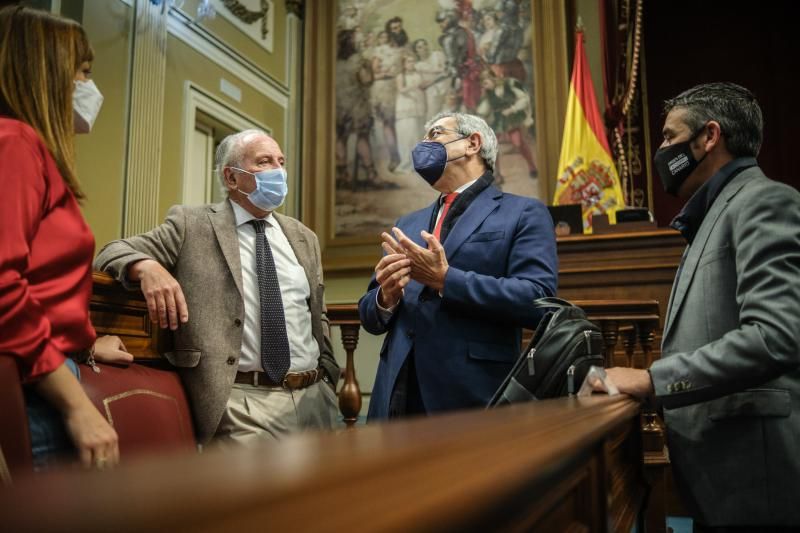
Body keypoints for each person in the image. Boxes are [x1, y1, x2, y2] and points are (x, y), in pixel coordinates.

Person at [596, 83, 800, 529]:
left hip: (756, 478)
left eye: (670, 137)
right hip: (721, 476)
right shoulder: (711, 213)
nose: (663, 150)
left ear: (709, 137)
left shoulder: (763, 201)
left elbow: (776, 337)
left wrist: (652, 379)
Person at [94, 130, 341, 447]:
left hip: (315, 396)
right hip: (242, 403)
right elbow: (110, 252)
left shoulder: (303, 236)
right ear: (232, 178)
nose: (278, 171)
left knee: (326, 496)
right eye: (264, 162)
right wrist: (147, 267)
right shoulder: (192, 224)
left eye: (281, 162)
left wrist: (329, 375)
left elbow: (316, 312)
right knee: (252, 497)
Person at [0, 6, 133, 470]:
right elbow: (3, 284)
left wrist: (85, 342)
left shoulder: (30, 149)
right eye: (83, 72)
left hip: (46, 373)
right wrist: (76, 403)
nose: (90, 86)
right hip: (37, 387)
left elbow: (40, 283)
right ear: (48, 72)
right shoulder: (14, 142)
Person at [359, 112, 557, 419]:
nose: (424, 145)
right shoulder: (407, 223)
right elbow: (370, 316)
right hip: (396, 390)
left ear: (472, 144)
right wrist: (386, 297)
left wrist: (446, 279)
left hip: (470, 394)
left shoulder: (523, 213)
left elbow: (539, 301)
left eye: (435, 134)